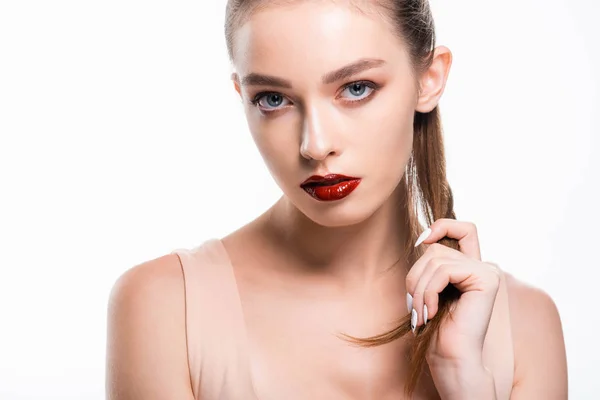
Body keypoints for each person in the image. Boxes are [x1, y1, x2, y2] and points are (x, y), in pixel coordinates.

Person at [105, 1, 568, 398]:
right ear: (241, 95)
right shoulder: (166, 309)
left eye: (355, 88)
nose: (314, 144)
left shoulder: (525, 329)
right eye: (272, 99)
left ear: (429, 78)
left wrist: (466, 384)